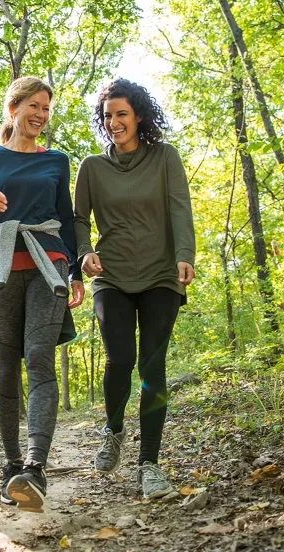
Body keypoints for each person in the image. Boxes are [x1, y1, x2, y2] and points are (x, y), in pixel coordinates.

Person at [0, 77, 84, 513]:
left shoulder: (56, 160)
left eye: (47, 108)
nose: (41, 114)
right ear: (13, 109)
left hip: (47, 264)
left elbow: (65, 219)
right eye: (34, 105)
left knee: (39, 358)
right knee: (4, 367)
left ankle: (35, 467)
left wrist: (74, 269)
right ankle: (11, 466)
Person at [73, 78, 196, 499]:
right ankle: (113, 428)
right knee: (120, 358)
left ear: (139, 115)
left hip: (162, 274)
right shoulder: (91, 167)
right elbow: (78, 219)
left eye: (121, 114)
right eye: (108, 116)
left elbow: (180, 206)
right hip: (111, 275)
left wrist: (185, 254)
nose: (114, 123)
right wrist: (84, 252)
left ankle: (150, 465)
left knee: (152, 366)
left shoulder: (165, 157)